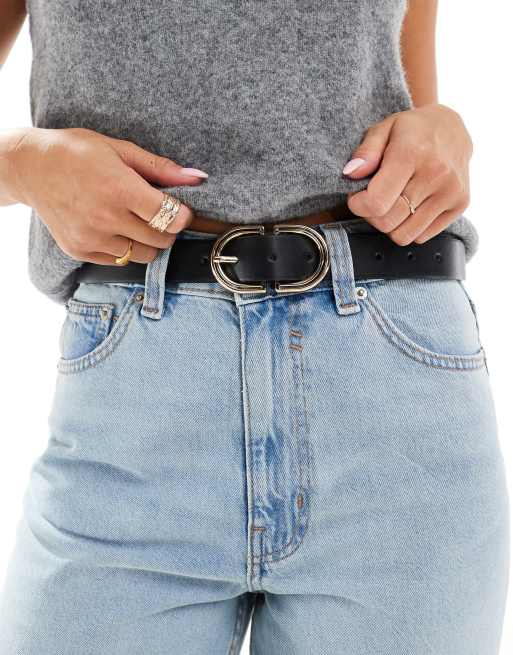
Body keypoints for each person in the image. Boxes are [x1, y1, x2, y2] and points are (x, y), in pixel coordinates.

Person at [0, 1, 509, 653]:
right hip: (133, 409)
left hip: (393, 400)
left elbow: (402, 98)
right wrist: (23, 164)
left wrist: (442, 135)